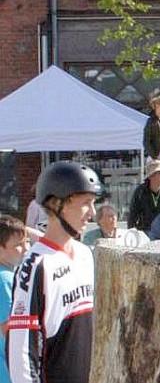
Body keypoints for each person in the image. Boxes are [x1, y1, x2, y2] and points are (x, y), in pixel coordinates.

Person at [7, 161, 103, 383]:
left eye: (94, 203)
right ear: (57, 204)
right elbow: (21, 350)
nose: (93, 213)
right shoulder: (35, 265)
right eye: (86, 203)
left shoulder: (84, 254)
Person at [0, 214, 31, 383]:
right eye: (18, 245)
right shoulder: (5, 279)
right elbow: (9, 328)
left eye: (27, 241)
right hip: (7, 371)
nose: (26, 248)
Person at [127, 159, 160, 235]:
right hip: (146, 232)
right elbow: (133, 215)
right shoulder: (140, 191)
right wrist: (132, 233)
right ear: (151, 176)